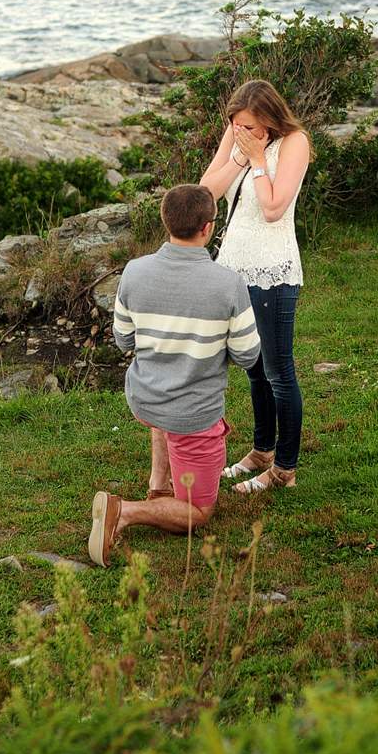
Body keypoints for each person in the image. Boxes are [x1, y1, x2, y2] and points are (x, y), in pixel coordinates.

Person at [88, 183, 261, 567]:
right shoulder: (228, 283)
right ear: (207, 227)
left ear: (166, 222)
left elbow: (123, 339)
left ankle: (157, 487)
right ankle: (125, 512)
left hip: (146, 397)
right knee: (198, 514)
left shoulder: (135, 271)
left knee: (165, 406)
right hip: (192, 415)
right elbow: (248, 356)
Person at [200, 79, 310, 492]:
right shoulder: (238, 137)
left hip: (272, 270)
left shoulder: (294, 142)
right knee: (253, 368)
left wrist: (260, 158)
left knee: (279, 371)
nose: (242, 132)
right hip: (233, 270)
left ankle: (284, 469)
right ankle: (262, 449)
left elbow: (272, 208)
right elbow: (207, 191)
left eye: (250, 126)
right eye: (236, 126)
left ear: (269, 119)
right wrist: (241, 159)